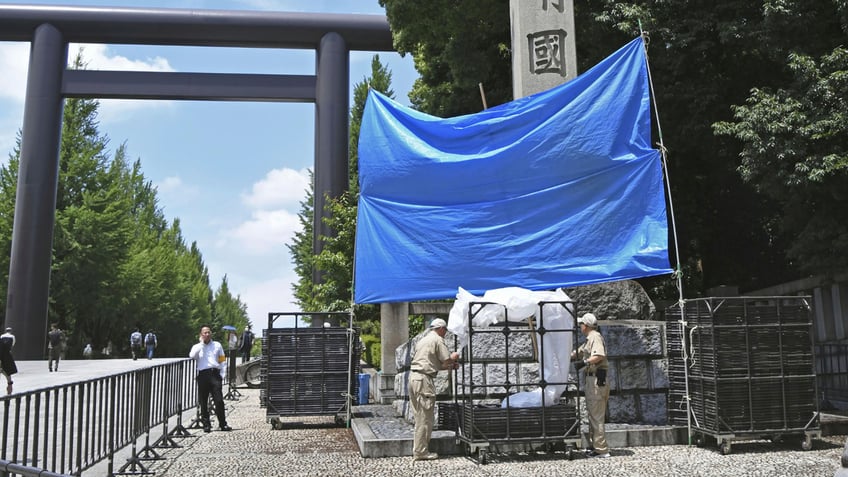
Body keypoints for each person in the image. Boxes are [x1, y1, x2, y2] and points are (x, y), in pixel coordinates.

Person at [408, 318, 459, 461]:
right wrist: (454, 358)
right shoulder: (438, 340)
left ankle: (419, 449)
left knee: (420, 416)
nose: (445, 333)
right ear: (441, 328)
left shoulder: (423, 340)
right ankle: (421, 452)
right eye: (445, 330)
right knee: (425, 418)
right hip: (424, 380)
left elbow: (432, 364)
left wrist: (449, 365)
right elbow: (446, 359)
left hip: (413, 378)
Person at [572, 312, 611, 458]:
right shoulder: (589, 339)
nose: (579, 325)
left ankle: (601, 450)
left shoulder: (595, 337)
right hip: (592, 380)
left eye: (581, 323)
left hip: (596, 380)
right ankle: (595, 447)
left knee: (596, 415)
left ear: (586, 326)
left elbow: (599, 355)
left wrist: (585, 362)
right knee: (594, 414)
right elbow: (579, 352)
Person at [189, 325, 232, 432]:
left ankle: (223, 423)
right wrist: (201, 344)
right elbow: (192, 356)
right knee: (203, 401)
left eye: (208, 332)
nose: (207, 334)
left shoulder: (217, 345)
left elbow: (222, 359)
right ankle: (206, 424)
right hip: (203, 374)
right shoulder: (197, 347)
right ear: (201, 335)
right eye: (205, 333)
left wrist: (222, 374)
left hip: (214, 374)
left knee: (219, 401)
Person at [0, 327, 17, 394]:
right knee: (7, 372)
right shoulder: (12, 336)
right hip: (7, 355)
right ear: (11, 331)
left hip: (1, 354)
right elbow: (12, 344)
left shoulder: (1, 336)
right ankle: (9, 386)